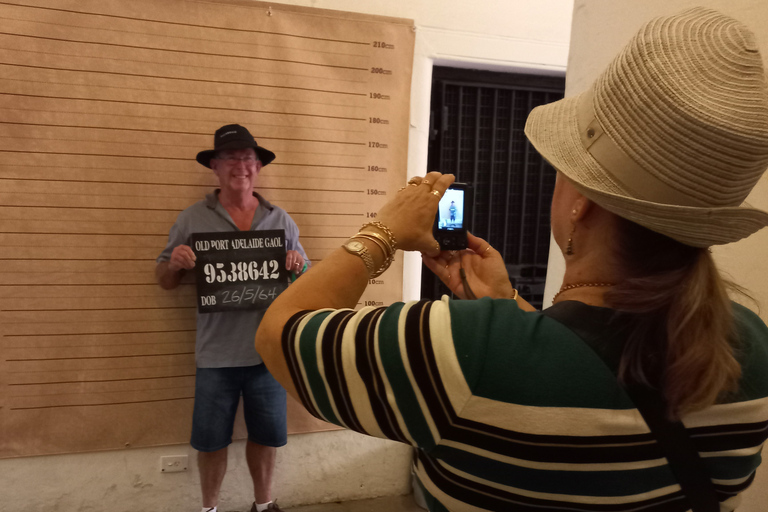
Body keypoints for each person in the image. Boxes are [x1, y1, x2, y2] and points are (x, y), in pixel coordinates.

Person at [254, 8, 768, 512]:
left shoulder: (460, 350)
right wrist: (507, 305)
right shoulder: (750, 344)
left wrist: (383, 231)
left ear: (582, 201)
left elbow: (280, 335)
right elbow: (599, 361)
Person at [157, 124, 309, 512]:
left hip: (268, 353)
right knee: (211, 440)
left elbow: (304, 280)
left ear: (258, 167)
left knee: (268, 436)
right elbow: (163, 280)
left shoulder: (280, 220)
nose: (240, 166)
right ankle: (209, 508)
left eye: (247, 158)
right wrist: (174, 264)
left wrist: (298, 265)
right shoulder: (192, 219)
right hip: (215, 355)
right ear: (215, 167)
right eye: (230, 158)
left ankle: (264, 504)